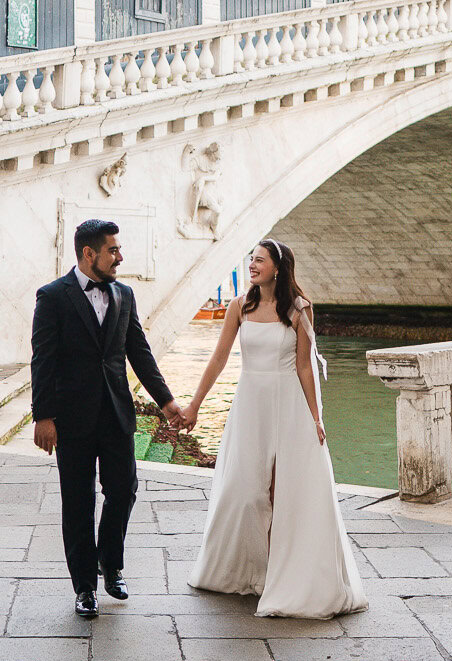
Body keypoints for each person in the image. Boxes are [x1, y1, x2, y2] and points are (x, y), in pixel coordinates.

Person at [185, 237, 366, 619]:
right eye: (250, 259)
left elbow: (304, 367)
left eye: (259, 260)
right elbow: (219, 358)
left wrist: (316, 417)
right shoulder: (239, 306)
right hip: (250, 403)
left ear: (278, 269)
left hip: (289, 405)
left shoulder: (300, 310)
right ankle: (251, 569)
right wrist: (195, 404)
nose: (252, 265)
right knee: (246, 491)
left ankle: (279, 577)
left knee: (284, 492)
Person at [31, 218, 188, 619]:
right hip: (72, 418)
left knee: (124, 489)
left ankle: (110, 564)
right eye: (113, 250)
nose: (120, 257)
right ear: (89, 253)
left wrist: (167, 402)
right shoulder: (52, 297)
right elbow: (42, 361)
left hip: (118, 414)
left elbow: (139, 351)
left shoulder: (125, 295)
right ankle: (84, 587)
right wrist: (43, 417)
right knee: (78, 502)